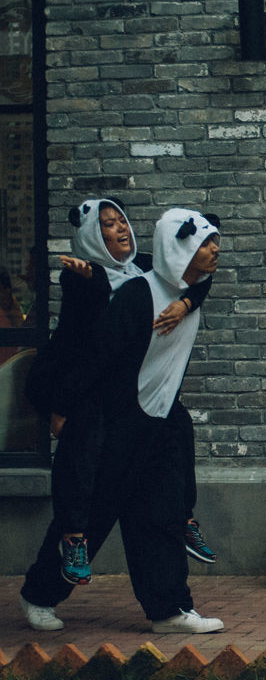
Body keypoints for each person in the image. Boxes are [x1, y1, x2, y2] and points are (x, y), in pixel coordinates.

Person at [19, 208, 226, 633]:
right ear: (181, 248)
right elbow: (95, 357)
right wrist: (62, 409)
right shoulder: (136, 294)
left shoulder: (192, 289)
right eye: (206, 244)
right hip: (117, 423)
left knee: (160, 515)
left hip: (160, 422)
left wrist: (188, 302)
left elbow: (200, 283)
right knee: (90, 519)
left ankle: (168, 610)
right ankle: (39, 595)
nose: (215, 251)